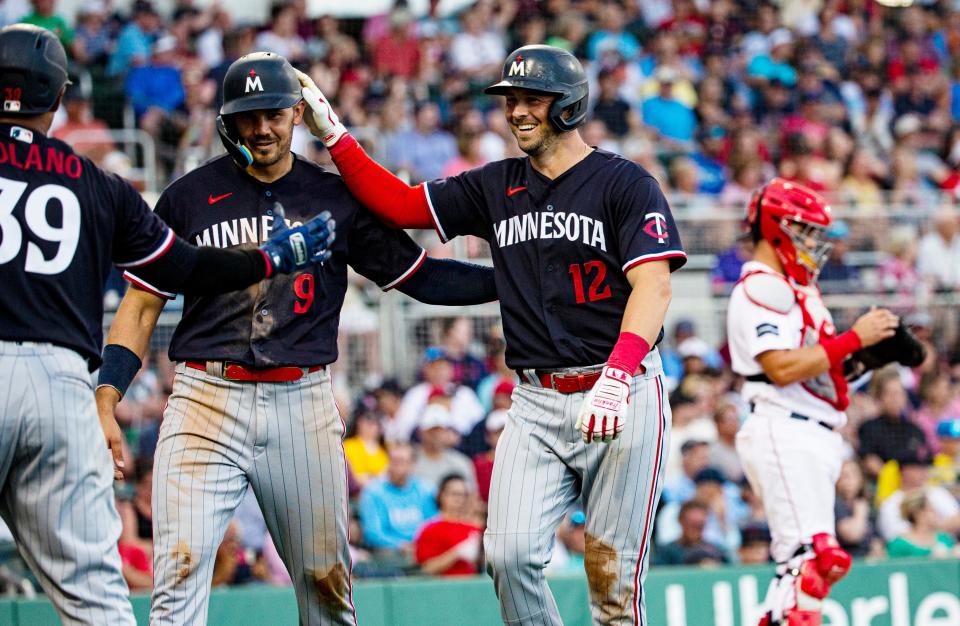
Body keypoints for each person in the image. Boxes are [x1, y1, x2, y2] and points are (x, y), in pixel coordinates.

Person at [96, 53, 496, 626]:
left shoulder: (335, 196)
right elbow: (140, 304)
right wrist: (108, 394)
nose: (262, 128)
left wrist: (514, 281)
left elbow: (423, 278)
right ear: (227, 122)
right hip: (206, 398)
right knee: (178, 575)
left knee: (326, 586)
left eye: (274, 114)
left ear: (298, 113)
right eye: (248, 117)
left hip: (301, 400)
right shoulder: (187, 196)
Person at [299, 43, 686, 624]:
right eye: (510, 101)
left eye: (532, 99)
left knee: (614, 579)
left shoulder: (625, 184)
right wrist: (334, 135)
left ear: (570, 105)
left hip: (624, 392)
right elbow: (402, 205)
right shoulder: (495, 184)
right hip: (535, 398)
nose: (517, 111)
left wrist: (617, 372)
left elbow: (653, 288)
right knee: (505, 555)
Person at [0, 26, 335, 626]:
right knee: (98, 598)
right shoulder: (98, 183)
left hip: (292, 398)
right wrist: (273, 258)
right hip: (62, 385)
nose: (260, 129)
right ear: (58, 99)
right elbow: (181, 268)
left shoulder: (323, 194)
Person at [728, 178, 900, 626]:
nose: (814, 244)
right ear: (776, 228)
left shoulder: (795, 289)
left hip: (811, 428)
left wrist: (866, 355)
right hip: (784, 426)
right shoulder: (762, 287)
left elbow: (819, 375)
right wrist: (852, 339)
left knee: (812, 567)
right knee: (810, 563)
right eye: (805, 231)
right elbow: (781, 367)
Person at [359, 443, 437, 553]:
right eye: (392, 461)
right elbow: (373, 533)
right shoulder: (373, 491)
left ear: (413, 465)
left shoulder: (426, 489)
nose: (395, 466)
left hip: (423, 548)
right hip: (388, 552)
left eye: (401, 462)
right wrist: (399, 545)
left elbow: (433, 522)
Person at [414, 474, 483, 576]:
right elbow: (426, 569)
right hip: (442, 588)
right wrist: (456, 553)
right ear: (441, 495)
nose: (460, 499)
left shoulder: (475, 528)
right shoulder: (429, 529)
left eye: (464, 495)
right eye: (455, 494)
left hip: (471, 586)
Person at [886, 490, 960, 559]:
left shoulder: (944, 538)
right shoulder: (899, 545)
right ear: (917, 513)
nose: (936, 513)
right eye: (931, 510)